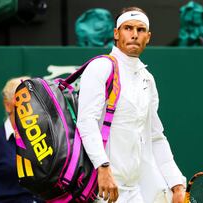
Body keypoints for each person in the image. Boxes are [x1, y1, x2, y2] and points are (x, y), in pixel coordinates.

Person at [77, 7, 186, 203]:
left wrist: (176, 183)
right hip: (99, 188)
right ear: (116, 33)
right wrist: (102, 168)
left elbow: (155, 137)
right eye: (128, 28)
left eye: (141, 30)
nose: (134, 35)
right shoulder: (100, 67)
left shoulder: (147, 79)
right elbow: (86, 121)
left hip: (134, 190)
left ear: (148, 36)